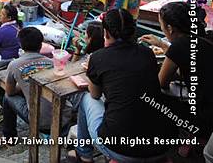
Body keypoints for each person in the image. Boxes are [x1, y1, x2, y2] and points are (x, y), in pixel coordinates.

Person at [72, 9, 176, 162]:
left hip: (120, 149)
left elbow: (95, 94)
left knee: (86, 98)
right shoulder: (147, 53)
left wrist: (93, 74)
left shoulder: (98, 57)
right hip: (161, 146)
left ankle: (84, 153)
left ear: (106, 33)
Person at [139, 2, 213, 140]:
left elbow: (161, 83)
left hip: (204, 120)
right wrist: (162, 44)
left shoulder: (179, 47)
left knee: (148, 97)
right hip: (207, 106)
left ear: (170, 28)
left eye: (161, 26)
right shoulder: (203, 37)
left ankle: (173, 134)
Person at [1, 27, 72, 138]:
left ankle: (9, 137)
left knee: (7, 98)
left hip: (40, 122)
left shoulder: (14, 65)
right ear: (41, 45)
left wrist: (24, 84)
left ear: (21, 45)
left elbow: (10, 92)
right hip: (64, 119)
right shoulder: (52, 63)